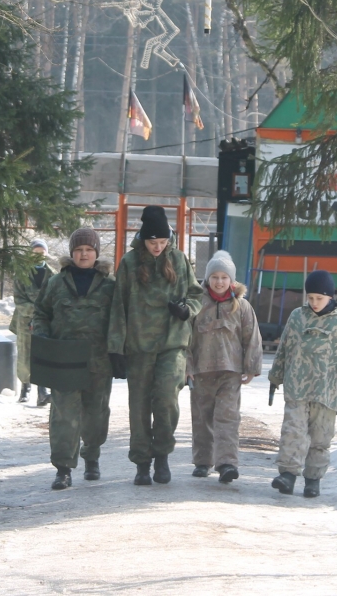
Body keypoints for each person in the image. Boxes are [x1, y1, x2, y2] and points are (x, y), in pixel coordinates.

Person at [108, 206, 204, 486]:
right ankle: (141, 462)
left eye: (162, 242)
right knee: (138, 408)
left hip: (172, 344)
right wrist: (116, 348)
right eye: (153, 243)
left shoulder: (178, 259)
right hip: (138, 346)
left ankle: (161, 455)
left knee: (165, 400)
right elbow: (118, 307)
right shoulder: (129, 263)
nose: (158, 247)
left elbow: (196, 294)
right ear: (143, 239)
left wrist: (187, 310)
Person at [268, 269, 337, 499]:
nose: (314, 303)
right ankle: (288, 475)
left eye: (319, 298)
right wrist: (276, 375)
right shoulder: (297, 317)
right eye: (310, 297)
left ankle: (313, 479)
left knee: (320, 437)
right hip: (297, 386)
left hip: (327, 390)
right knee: (293, 431)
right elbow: (285, 347)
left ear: (330, 297)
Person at [33, 228, 116, 490]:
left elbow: (120, 322)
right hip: (64, 359)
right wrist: (45, 340)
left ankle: (92, 456)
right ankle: (63, 468)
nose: (84, 254)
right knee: (64, 416)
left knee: (95, 414)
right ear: (72, 253)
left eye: (89, 250)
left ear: (96, 253)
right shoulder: (56, 283)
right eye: (79, 250)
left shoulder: (110, 286)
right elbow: (41, 313)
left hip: (99, 361)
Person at [187, 251, 262, 484]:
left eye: (224, 277)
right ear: (207, 278)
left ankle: (227, 463)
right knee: (202, 418)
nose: (219, 282)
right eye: (215, 277)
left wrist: (251, 366)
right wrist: (187, 366)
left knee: (228, 418)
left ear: (232, 280)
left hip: (230, 372)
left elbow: (252, 338)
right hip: (201, 371)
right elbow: (185, 337)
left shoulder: (242, 307)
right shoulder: (197, 304)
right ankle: (202, 461)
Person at [13, 238, 55, 405]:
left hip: (45, 321)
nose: (38, 256)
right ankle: (25, 388)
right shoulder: (22, 273)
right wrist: (35, 312)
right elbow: (19, 299)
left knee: (44, 355)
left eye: (42, 253)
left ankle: (42, 392)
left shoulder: (53, 275)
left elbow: (54, 298)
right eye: (35, 253)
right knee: (25, 355)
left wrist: (45, 314)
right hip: (25, 320)